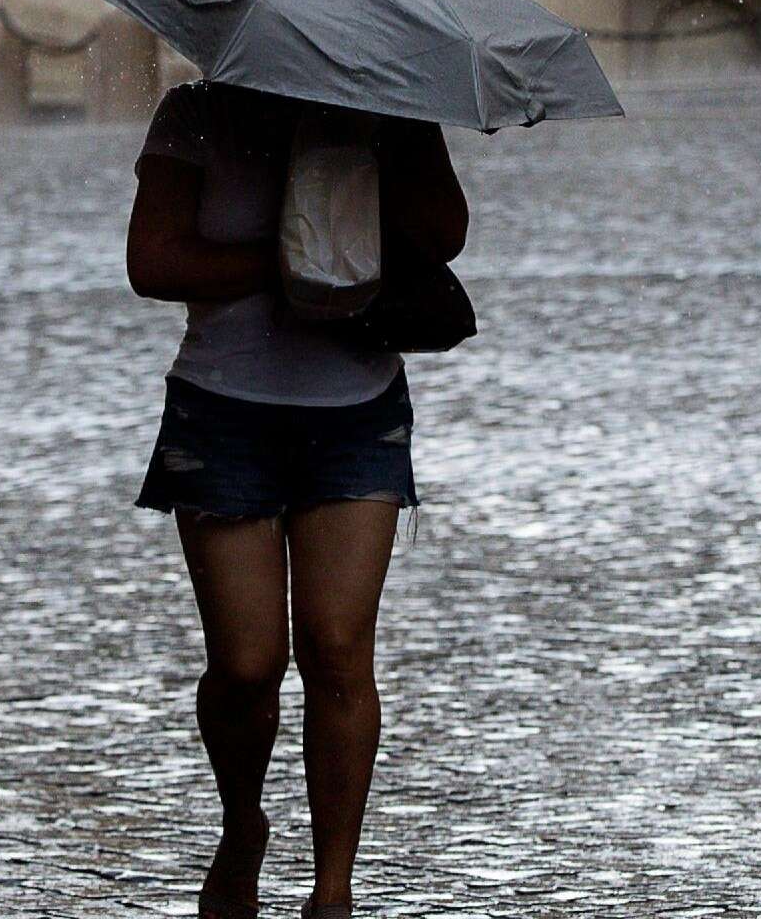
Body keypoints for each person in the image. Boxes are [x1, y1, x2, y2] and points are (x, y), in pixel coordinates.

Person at [125, 80, 469, 919]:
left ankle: (333, 889)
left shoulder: (392, 111)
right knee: (246, 668)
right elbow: (154, 261)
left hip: (357, 415)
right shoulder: (196, 114)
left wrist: (377, 157)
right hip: (220, 411)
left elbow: (445, 235)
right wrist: (292, 253)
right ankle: (242, 824)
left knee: (338, 649)